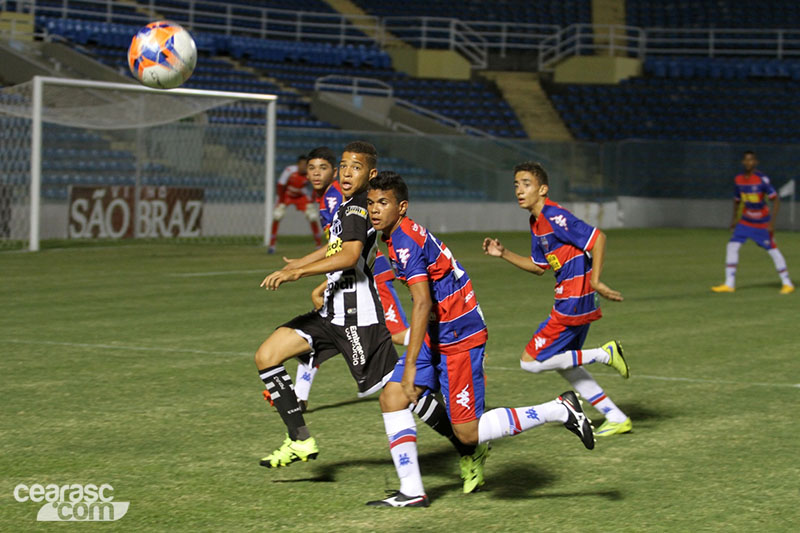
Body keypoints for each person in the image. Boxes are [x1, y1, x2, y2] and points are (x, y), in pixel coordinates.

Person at [255, 143, 484, 493]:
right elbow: (338, 246)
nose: (346, 173)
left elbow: (349, 256)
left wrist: (298, 274)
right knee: (267, 356)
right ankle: (300, 439)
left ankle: (467, 446)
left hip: (357, 320)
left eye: (355, 168)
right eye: (343, 166)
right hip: (331, 309)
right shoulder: (349, 207)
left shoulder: (363, 209)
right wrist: (302, 264)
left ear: (370, 174)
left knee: (404, 396)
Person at [365, 171, 596, 508]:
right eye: (371, 203)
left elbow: (422, 301)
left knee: (468, 434)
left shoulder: (404, 240)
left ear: (401, 207)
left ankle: (559, 409)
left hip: (459, 334)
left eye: (382, 203)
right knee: (392, 397)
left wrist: (411, 364)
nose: (374, 210)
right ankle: (412, 491)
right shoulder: (397, 233)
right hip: (437, 331)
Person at [482, 161, 632, 439]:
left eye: (526, 184)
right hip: (573, 297)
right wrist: (503, 253)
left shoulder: (553, 216)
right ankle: (616, 416)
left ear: (543, 189)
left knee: (530, 361)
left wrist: (596, 280)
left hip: (574, 299)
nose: (519, 190)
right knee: (568, 365)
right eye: (516, 184)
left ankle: (605, 353)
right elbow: (540, 266)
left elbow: (597, 238)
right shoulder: (537, 223)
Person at [711, 151, 794, 294]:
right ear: (743, 162)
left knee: (772, 250)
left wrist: (772, 223)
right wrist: (734, 219)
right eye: (746, 160)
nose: (748, 162)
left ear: (755, 162)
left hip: (762, 222)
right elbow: (737, 200)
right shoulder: (738, 179)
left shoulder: (762, 179)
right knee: (732, 246)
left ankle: (787, 283)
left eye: (751, 160)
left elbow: (776, 200)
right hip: (745, 221)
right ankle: (729, 284)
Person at [268, 154, 321, 253]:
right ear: (297, 164)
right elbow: (281, 185)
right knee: (277, 215)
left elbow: (316, 187)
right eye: (302, 164)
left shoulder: (310, 173)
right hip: (287, 195)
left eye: (306, 165)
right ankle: (272, 245)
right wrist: (281, 201)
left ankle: (318, 245)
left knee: (312, 216)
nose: (303, 167)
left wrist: (311, 201)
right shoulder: (289, 171)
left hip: (301, 196)